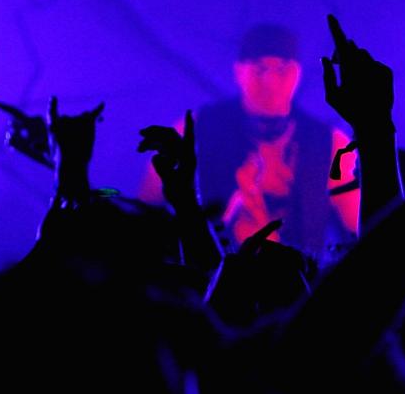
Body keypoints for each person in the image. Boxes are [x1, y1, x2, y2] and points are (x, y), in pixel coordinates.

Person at [140, 23, 358, 256]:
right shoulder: (195, 130)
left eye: (282, 69)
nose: (271, 82)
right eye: (260, 69)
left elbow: (359, 229)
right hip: (209, 284)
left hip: (300, 286)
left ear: (297, 73)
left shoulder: (329, 144)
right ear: (239, 71)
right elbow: (145, 216)